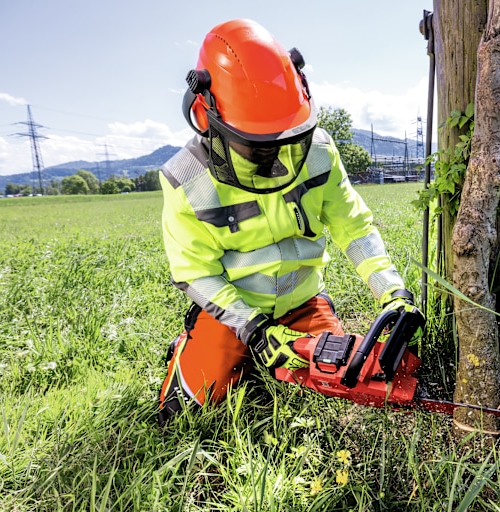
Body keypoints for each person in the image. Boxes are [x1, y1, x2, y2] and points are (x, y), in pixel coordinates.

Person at [157, 19, 422, 426]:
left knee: (346, 382)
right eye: (256, 144)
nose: (274, 156)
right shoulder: (186, 180)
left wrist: (392, 291)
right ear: (206, 116)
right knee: (189, 409)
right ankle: (196, 347)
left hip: (303, 301)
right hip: (234, 310)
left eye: (286, 140)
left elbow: (353, 227)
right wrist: (254, 328)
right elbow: (195, 273)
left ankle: (280, 344)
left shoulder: (319, 152)